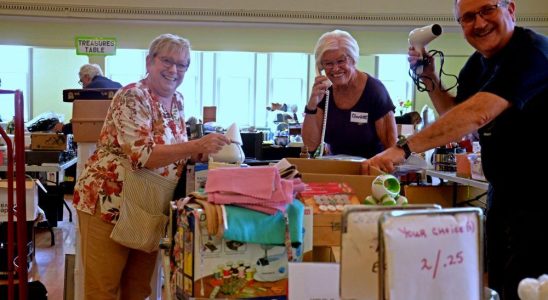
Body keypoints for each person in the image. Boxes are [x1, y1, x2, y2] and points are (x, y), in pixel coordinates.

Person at [362, 0, 547, 298]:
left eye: (488, 10)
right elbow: (460, 116)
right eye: (468, 17)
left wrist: (404, 148)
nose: (480, 23)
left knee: (531, 287)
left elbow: (480, 112)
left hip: (541, 200)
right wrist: (430, 79)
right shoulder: (477, 64)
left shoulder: (533, 53)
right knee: (500, 282)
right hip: (503, 196)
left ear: (510, 9)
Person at [73, 34, 230, 299]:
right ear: (149, 61)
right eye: (167, 61)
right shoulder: (133, 96)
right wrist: (194, 145)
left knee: (138, 289)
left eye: (181, 65)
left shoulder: (178, 101)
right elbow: (143, 155)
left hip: (149, 205)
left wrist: (196, 154)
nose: (174, 70)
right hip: (109, 203)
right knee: (103, 289)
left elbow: (172, 150)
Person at [302, 30, 397, 159]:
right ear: (321, 67)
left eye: (341, 61)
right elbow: (311, 145)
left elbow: (391, 148)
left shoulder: (374, 91)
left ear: (353, 59)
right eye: (328, 64)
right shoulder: (324, 92)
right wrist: (312, 105)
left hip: (370, 169)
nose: (335, 69)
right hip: (336, 168)